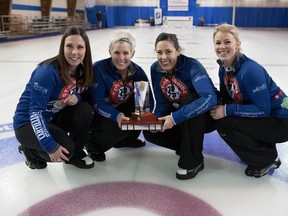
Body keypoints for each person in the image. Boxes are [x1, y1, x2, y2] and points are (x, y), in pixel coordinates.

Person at [210, 23, 288, 178]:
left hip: (282, 122)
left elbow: (262, 110)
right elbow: (226, 98)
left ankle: (265, 160)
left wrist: (226, 110)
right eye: (218, 43)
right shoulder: (223, 67)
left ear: (237, 44)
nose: (222, 47)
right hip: (269, 118)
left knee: (225, 124)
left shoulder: (250, 70)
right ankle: (268, 153)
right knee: (226, 117)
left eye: (227, 42)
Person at [13, 26, 95, 170]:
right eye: (69, 46)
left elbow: (83, 93)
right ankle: (30, 151)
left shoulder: (81, 71)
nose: (74, 52)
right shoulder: (47, 72)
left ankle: (75, 153)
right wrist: (50, 146)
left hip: (51, 118)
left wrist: (77, 97)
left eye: (80, 47)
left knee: (85, 109)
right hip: (27, 123)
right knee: (65, 151)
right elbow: (35, 112)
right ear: (62, 48)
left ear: (86, 50)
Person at [143, 33, 217, 180]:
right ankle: (186, 147)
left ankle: (194, 161)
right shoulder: (155, 69)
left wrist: (175, 118)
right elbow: (163, 103)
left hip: (205, 117)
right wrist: (156, 121)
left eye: (168, 51)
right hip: (179, 117)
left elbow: (210, 98)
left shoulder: (192, 66)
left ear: (178, 50)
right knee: (150, 132)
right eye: (159, 52)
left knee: (188, 100)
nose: (163, 57)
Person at [86, 30, 153, 162]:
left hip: (119, 108)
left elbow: (146, 102)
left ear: (132, 53)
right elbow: (98, 103)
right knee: (119, 126)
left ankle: (125, 141)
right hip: (99, 113)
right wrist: (117, 116)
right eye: (117, 52)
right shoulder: (98, 69)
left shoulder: (138, 72)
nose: (121, 58)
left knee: (140, 111)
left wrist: (144, 116)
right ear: (110, 51)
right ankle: (93, 144)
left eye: (126, 53)